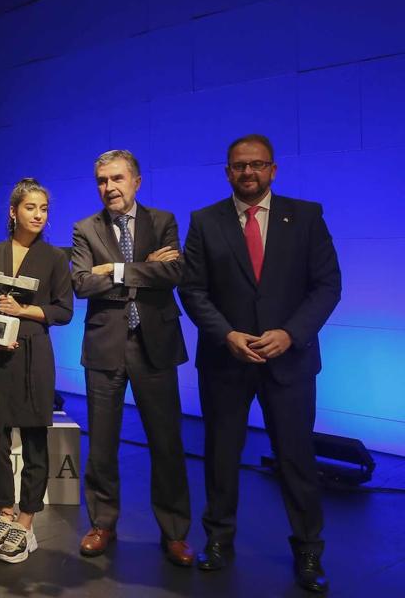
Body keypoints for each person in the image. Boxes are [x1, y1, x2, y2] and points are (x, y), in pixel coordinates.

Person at [179, 134, 340, 593]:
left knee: (296, 460)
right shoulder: (205, 221)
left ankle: (309, 551)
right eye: (238, 166)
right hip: (225, 360)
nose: (247, 173)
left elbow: (327, 285)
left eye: (257, 165)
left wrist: (290, 334)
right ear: (227, 171)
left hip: (289, 361)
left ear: (273, 169)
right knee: (220, 458)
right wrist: (226, 334)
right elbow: (193, 290)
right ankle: (217, 541)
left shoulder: (306, 216)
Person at [71, 150, 194, 566]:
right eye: (102, 181)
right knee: (102, 446)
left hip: (154, 344)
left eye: (117, 179)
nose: (110, 188)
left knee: (167, 444)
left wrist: (117, 270)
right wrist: (143, 268)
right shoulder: (85, 228)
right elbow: (82, 284)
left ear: (137, 181)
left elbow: (175, 274)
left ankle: (175, 532)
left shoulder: (163, 221)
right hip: (105, 347)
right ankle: (102, 523)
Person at [0, 178, 73, 563]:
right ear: (13, 212)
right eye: (31, 208)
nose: (38, 215)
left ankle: (26, 522)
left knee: (35, 439)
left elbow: (63, 310)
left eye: (43, 209)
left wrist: (22, 311)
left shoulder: (56, 257)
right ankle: (4, 513)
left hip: (32, 357)